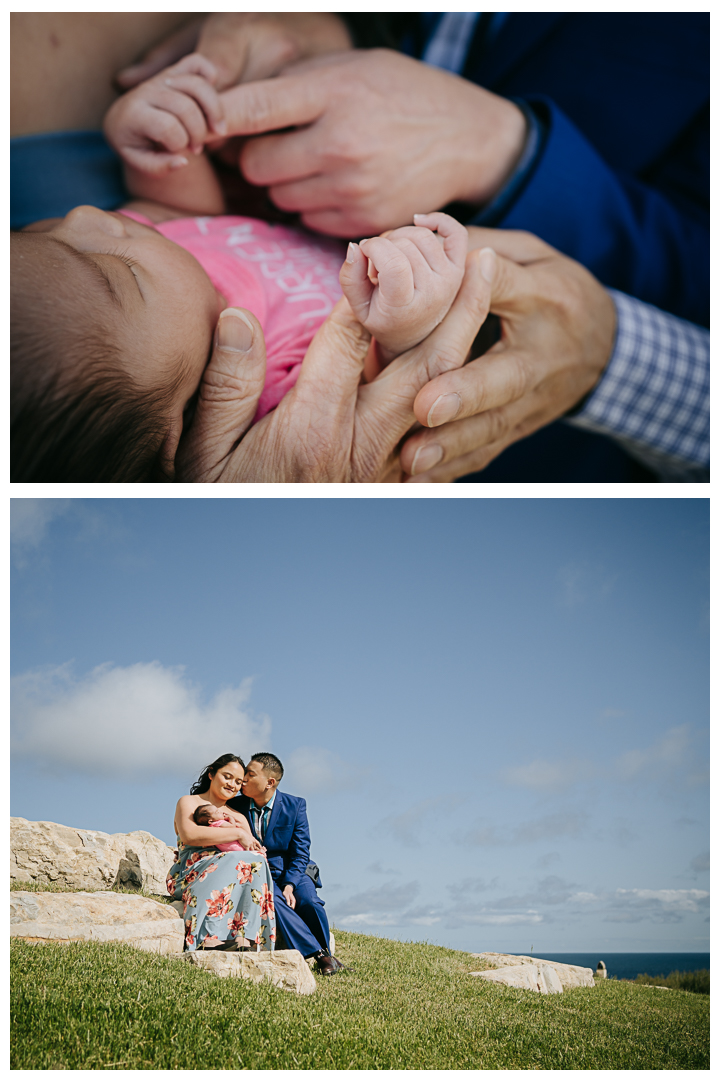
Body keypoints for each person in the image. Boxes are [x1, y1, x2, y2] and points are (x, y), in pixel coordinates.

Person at [124, 11, 708, 482]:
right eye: (104, 270)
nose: (81, 221)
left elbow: (180, 215)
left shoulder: (144, 257)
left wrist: (502, 152)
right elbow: (371, 378)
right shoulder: (238, 363)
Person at [10, 52, 469, 483]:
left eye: (35, 234)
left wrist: (163, 146)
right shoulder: (268, 402)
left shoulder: (154, 253)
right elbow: (375, 389)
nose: (85, 218)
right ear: (183, 421)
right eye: (114, 273)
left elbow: (183, 211)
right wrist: (405, 319)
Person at [228, 753, 343, 976]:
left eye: (250, 775)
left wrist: (290, 884)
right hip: (259, 873)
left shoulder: (295, 805)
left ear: (270, 782)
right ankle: (322, 957)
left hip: (295, 870)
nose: (243, 780)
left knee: (309, 901)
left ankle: (325, 950)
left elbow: (301, 852)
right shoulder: (235, 805)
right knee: (275, 903)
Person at [167, 753, 276, 952]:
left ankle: (246, 938)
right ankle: (207, 937)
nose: (232, 785)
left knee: (256, 862)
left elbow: (249, 849)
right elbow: (190, 835)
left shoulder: (238, 817)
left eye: (238, 782)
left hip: (232, 867)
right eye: (227, 777)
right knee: (236, 859)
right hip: (193, 870)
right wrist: (237, 833)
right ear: (211, 774)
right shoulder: (189, 802)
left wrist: (258, 849)